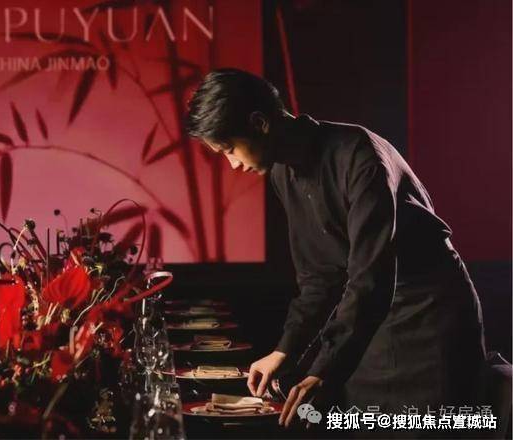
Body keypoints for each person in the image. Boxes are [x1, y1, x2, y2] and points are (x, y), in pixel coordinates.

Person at [185, 68, 487, 437]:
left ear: (259, 123)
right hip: (368, 321)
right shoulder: (282, 173)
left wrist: (324, 369)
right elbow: (319, 277)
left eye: (229, 149)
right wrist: (284, 351)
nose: (233, 164)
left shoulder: (359, 155)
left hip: (428, 314)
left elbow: (370, 276)